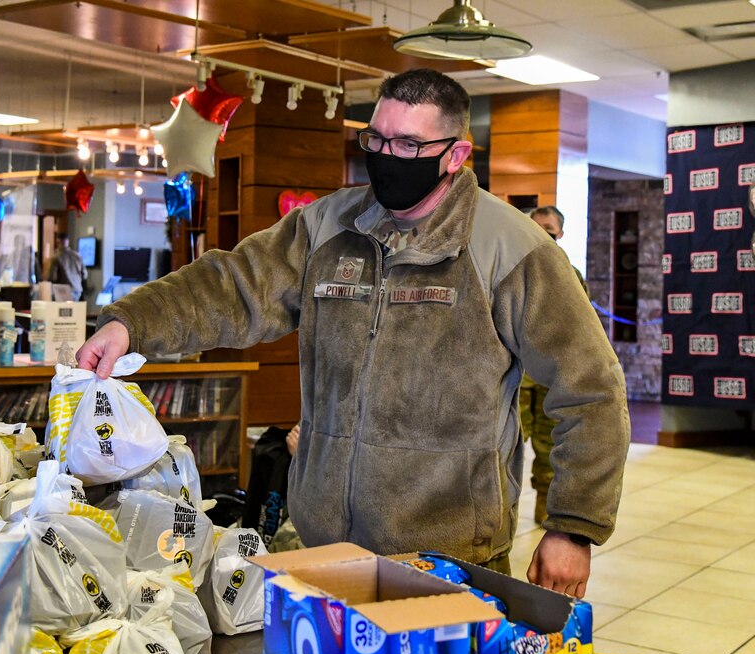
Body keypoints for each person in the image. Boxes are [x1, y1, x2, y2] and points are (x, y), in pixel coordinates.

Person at [77, 69, 629, 598]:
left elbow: (591, 387)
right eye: (377, 140)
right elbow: (233, 286)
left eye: (409, 145)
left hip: (452, 558)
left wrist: (573, 526)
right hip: (324, 544)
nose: (387, 158)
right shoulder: (328, 226)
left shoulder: (511, 248)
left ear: (456, 154)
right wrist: (133, 322)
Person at [520, 206, 591, 525]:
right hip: (514, 380)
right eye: (536, 227)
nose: (543, 233)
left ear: (560, 233)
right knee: (498, 449)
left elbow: (581, 329)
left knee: (550, 452)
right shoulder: (511, 268)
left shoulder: (570, 275)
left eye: (549, 228)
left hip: (550, 378)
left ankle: (545, 516)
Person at [48, 233, 88, 301]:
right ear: (68, 241)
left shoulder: (56, 257)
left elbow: (52, 277)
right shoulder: (77, 256)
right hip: (77, 289)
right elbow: (84, 274)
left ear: (58, 242)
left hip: (63, 290)